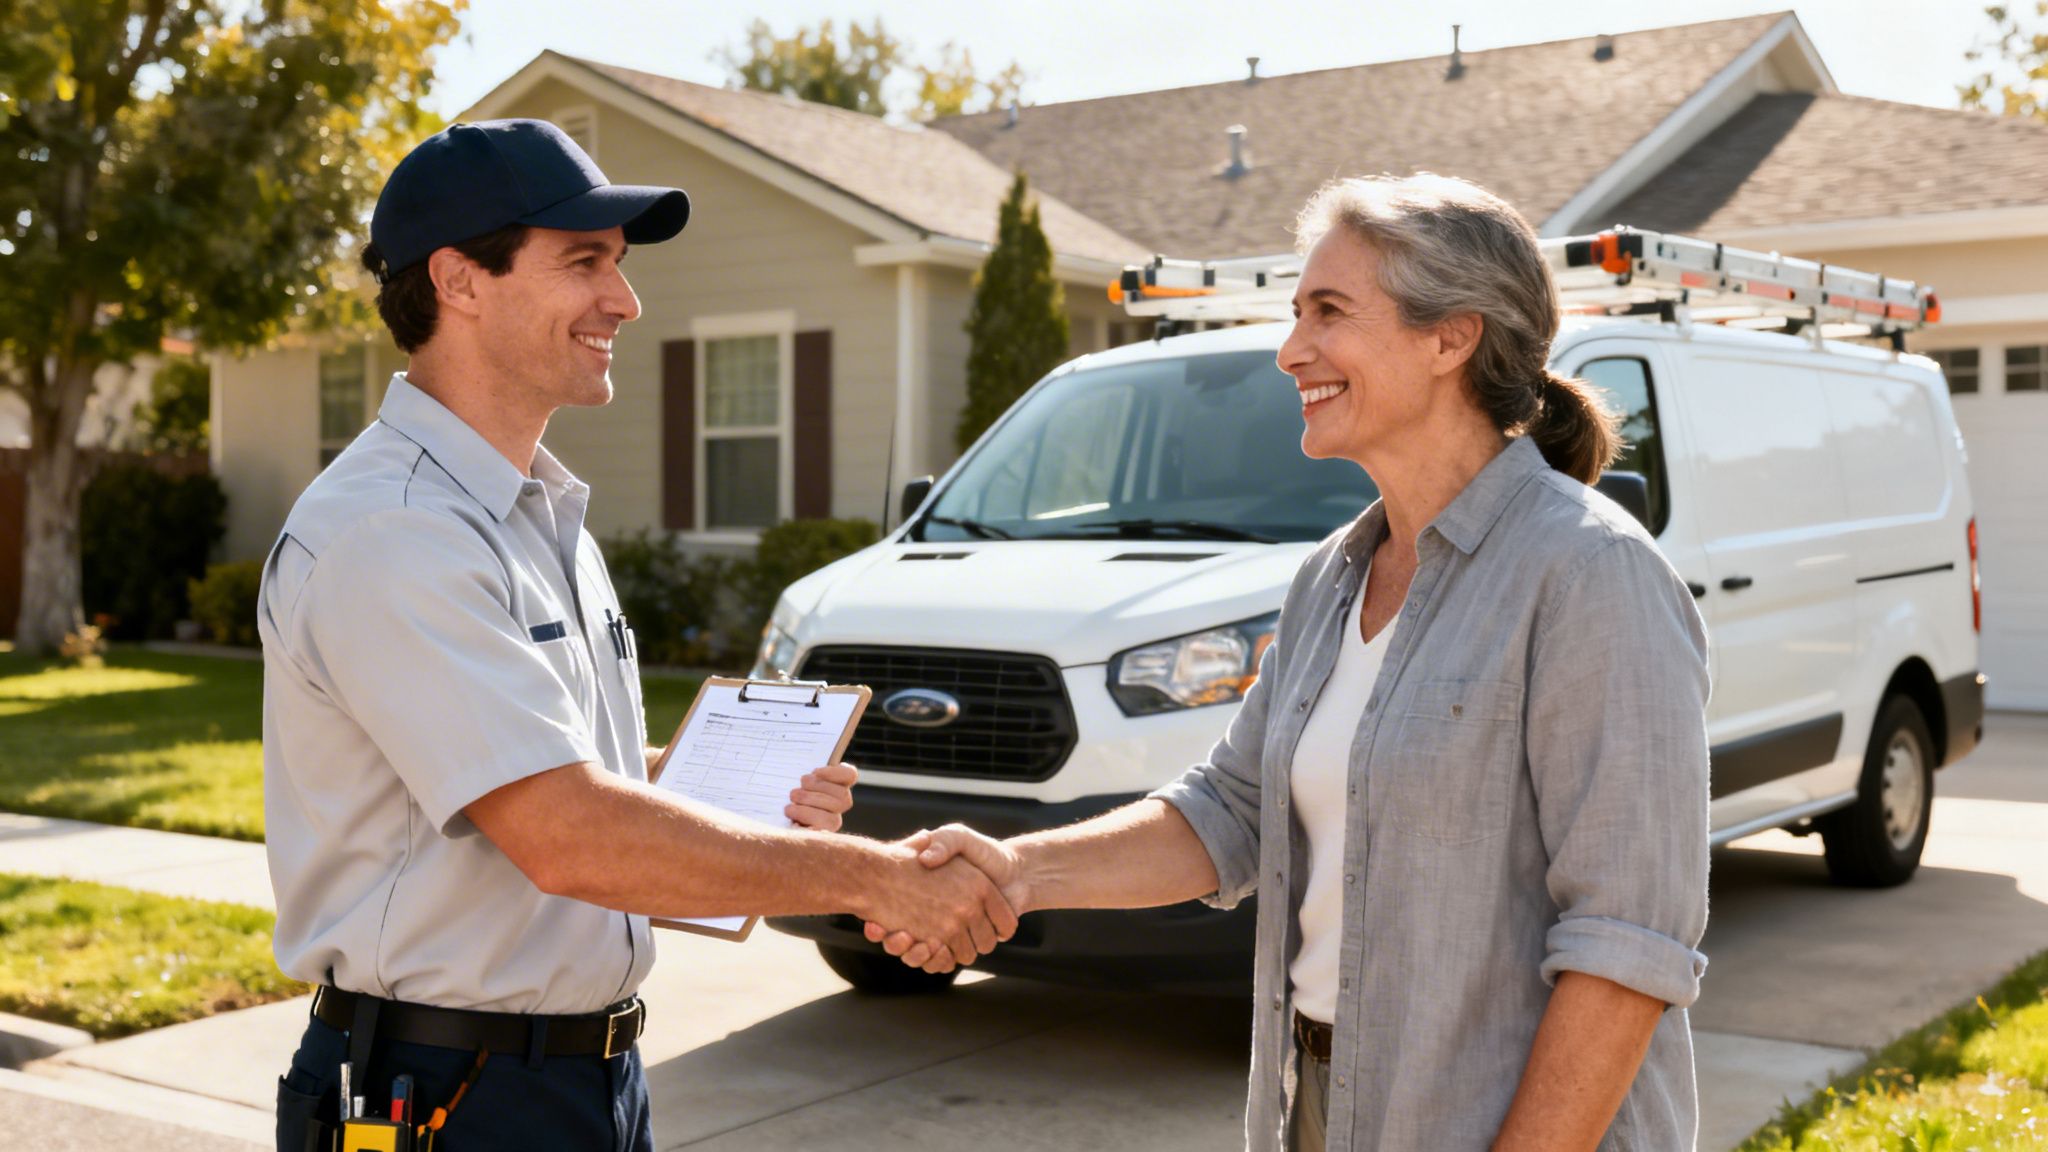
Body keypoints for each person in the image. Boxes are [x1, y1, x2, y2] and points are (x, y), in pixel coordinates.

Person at [869, 173, 1712, 1151]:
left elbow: (1627, 949)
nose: (1290, 350)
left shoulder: (1589, 574)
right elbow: (1228, 813)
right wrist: (1016, 870)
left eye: (1328, 312)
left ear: (1451, 337)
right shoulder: (1333, 576)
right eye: (1294, 313)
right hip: (1315, 1100)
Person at [261, 119, 1015, 1152]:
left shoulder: (536, 516)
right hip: (443, 1094)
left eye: (616, 266)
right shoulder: (394, 533)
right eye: (583, 263)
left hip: (579, 1078)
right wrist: (866, 876)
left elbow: (558, 779)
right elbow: (566, 832)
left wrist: (729, 802)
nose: (624, 301)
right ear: (459, 280)